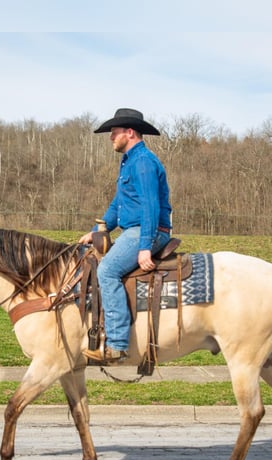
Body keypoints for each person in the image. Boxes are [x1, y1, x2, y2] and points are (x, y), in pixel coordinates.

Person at [79, 108, 173, 364]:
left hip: (147, 231)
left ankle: (118, 344)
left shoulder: (143, 161)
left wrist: (145, 246)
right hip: (135, 230)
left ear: (129, 132)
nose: (111, 137)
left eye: (114, 132)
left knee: (107, 271)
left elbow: (150, 207)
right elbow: (118, 204)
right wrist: (99, 230)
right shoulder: (129, 161)